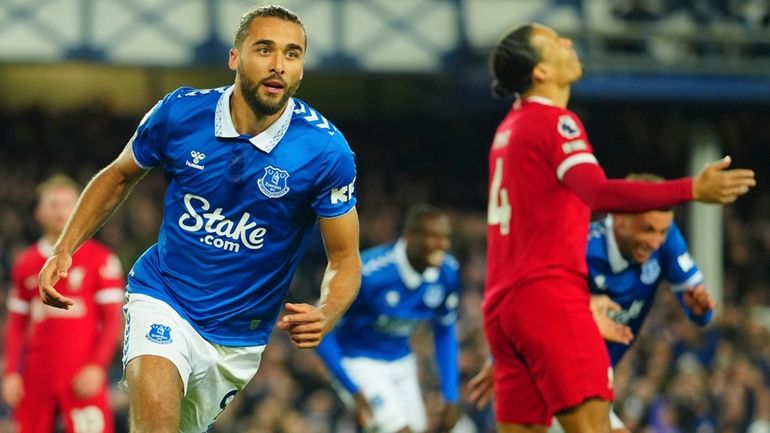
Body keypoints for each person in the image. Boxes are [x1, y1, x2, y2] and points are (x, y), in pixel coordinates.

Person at [37, 5, 362, 433]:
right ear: (234, 57)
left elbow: (345, 260)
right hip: (163, 296)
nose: (278, 65)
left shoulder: (325, 151)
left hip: (237, 339)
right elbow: (118, 176)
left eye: (292, 54)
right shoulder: (180, 113)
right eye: (264, 49)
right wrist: (65, 248)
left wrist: (328, 310)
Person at [483, 23, 755, 433]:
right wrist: (690, 188)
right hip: (548, 295)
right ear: (539, 71)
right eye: (557, 42)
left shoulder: (508, 130)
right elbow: (597, 192)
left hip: (503, 304)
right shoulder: (556, 122)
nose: (569, 43)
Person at [470, 174, 717, 433]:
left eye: (662, 231)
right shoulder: (578, 248)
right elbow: (525, 303)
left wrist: (700, 311)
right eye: (647, 229)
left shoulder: (666, 242)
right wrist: (500, 356)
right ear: (620, 218)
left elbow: (699, 311)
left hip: (591, 384)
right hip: (550, 382)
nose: (655, 241)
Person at [315, 205, 461, 433]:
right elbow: (319, 329)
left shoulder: (447, 273)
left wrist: (451, 396)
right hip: (358, 362)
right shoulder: (369, 274)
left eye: (445, 238)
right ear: (411, 238)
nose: (443, 245)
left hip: (401, 360)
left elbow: (445, 331)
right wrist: (351, 387)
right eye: (434, 238)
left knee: (418, 428)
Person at [2, 175, 125, 433]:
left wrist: (97, 366)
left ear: (80, 209)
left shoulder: (100, 259)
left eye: (68, 204)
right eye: (53, 204)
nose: (60, 211)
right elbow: (16, 324)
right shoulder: (26, 263)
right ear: (39, 212)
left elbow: (113, 319)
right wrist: (12, 372)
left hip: (81, 373)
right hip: (35, 377)